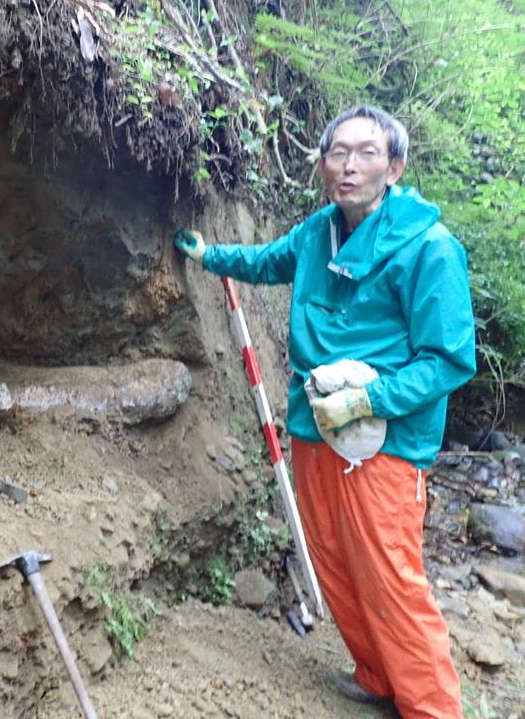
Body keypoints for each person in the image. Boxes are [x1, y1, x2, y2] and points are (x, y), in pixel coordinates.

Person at [175, 105, 476, 719]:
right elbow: (266, 263)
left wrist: (368, 399)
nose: (348, 165)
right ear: (321, 164)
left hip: (384, 443)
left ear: (395, 165)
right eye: (337, 151)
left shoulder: (430, 249)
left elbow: (448, 359)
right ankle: (378, 678)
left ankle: (432, 708)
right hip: (316, 428)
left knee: (391, 580)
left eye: (366, 152)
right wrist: (210, 256)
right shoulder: (318, 233)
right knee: (335, 563)